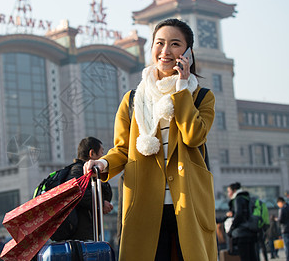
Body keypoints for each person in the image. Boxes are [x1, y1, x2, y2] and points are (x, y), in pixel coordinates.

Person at [83, 18, 217, 260]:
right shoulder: (133, 99)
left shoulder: (201, 97)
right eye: (160, 43)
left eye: (175, 44)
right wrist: (102, 164)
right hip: (144, 204)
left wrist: (182, 89)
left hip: (189, 205)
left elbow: (193, 136)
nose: (165, 51)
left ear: (188, 53)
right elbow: (123, 149)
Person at [65, 137, 113, 241]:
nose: (103, 157)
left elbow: (107, 191)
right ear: (92, 153)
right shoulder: (77, 171)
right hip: (81, 236)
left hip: (90, 233)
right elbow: (78, 193)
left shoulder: (94, 172)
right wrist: (101, 203)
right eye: (101, 153)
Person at [224, 182, 258, 261]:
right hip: (251, 231)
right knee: (252, 257)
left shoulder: (238, 199)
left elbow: (239, 215)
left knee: (245, 257)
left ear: (234, 190)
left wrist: (232, 228)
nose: (228, 194)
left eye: (229, 191)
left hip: (241, 233)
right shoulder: (247, 198)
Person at [277, 197, 289, 261]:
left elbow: (280, 220)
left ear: (280, 202)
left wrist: (277, 219)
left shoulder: (281, 209)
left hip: (285, 230)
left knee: (287, 246)